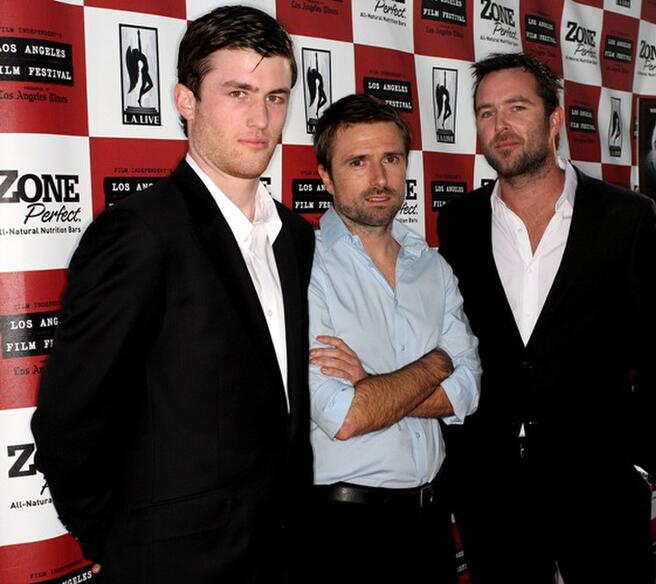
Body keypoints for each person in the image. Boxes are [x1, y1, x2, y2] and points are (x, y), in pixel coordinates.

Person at [31, 7, 314, 583]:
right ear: (187, 101)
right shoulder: (140, 234)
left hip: (282, 554)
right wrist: (116, 540)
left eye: (276, 96)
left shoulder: (295, 238)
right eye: (238, 92)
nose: (262, 117)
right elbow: (69, 417)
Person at [436, 52, 656, 584]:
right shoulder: (458, 222)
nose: (500, 126)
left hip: (601, 487)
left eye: (516, 107)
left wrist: (642, 466)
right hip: (492, 491)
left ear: (554, 119)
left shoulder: (625, 217)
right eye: (485, 113)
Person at [305, 94, 480, 584]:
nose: (379, 179)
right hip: (345, 527)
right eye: (358, 162)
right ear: (325, 176)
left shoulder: (432, 264)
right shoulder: (305, 269)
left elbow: (469, 391)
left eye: (391, 159)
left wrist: (373, 383)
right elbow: (344, 415)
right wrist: (436, 363)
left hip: (431, 520)